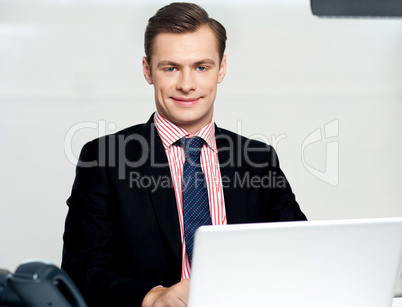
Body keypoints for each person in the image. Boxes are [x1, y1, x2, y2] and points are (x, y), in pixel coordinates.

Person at [61, 2, 307, 307]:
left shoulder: (258, 159)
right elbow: (80, 271)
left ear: (222, 69)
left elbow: (300, 254)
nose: (187, 85)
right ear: (148, 70)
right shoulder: (104, 159)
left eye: (201, 67)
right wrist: (154, 298)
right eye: (171, 68)